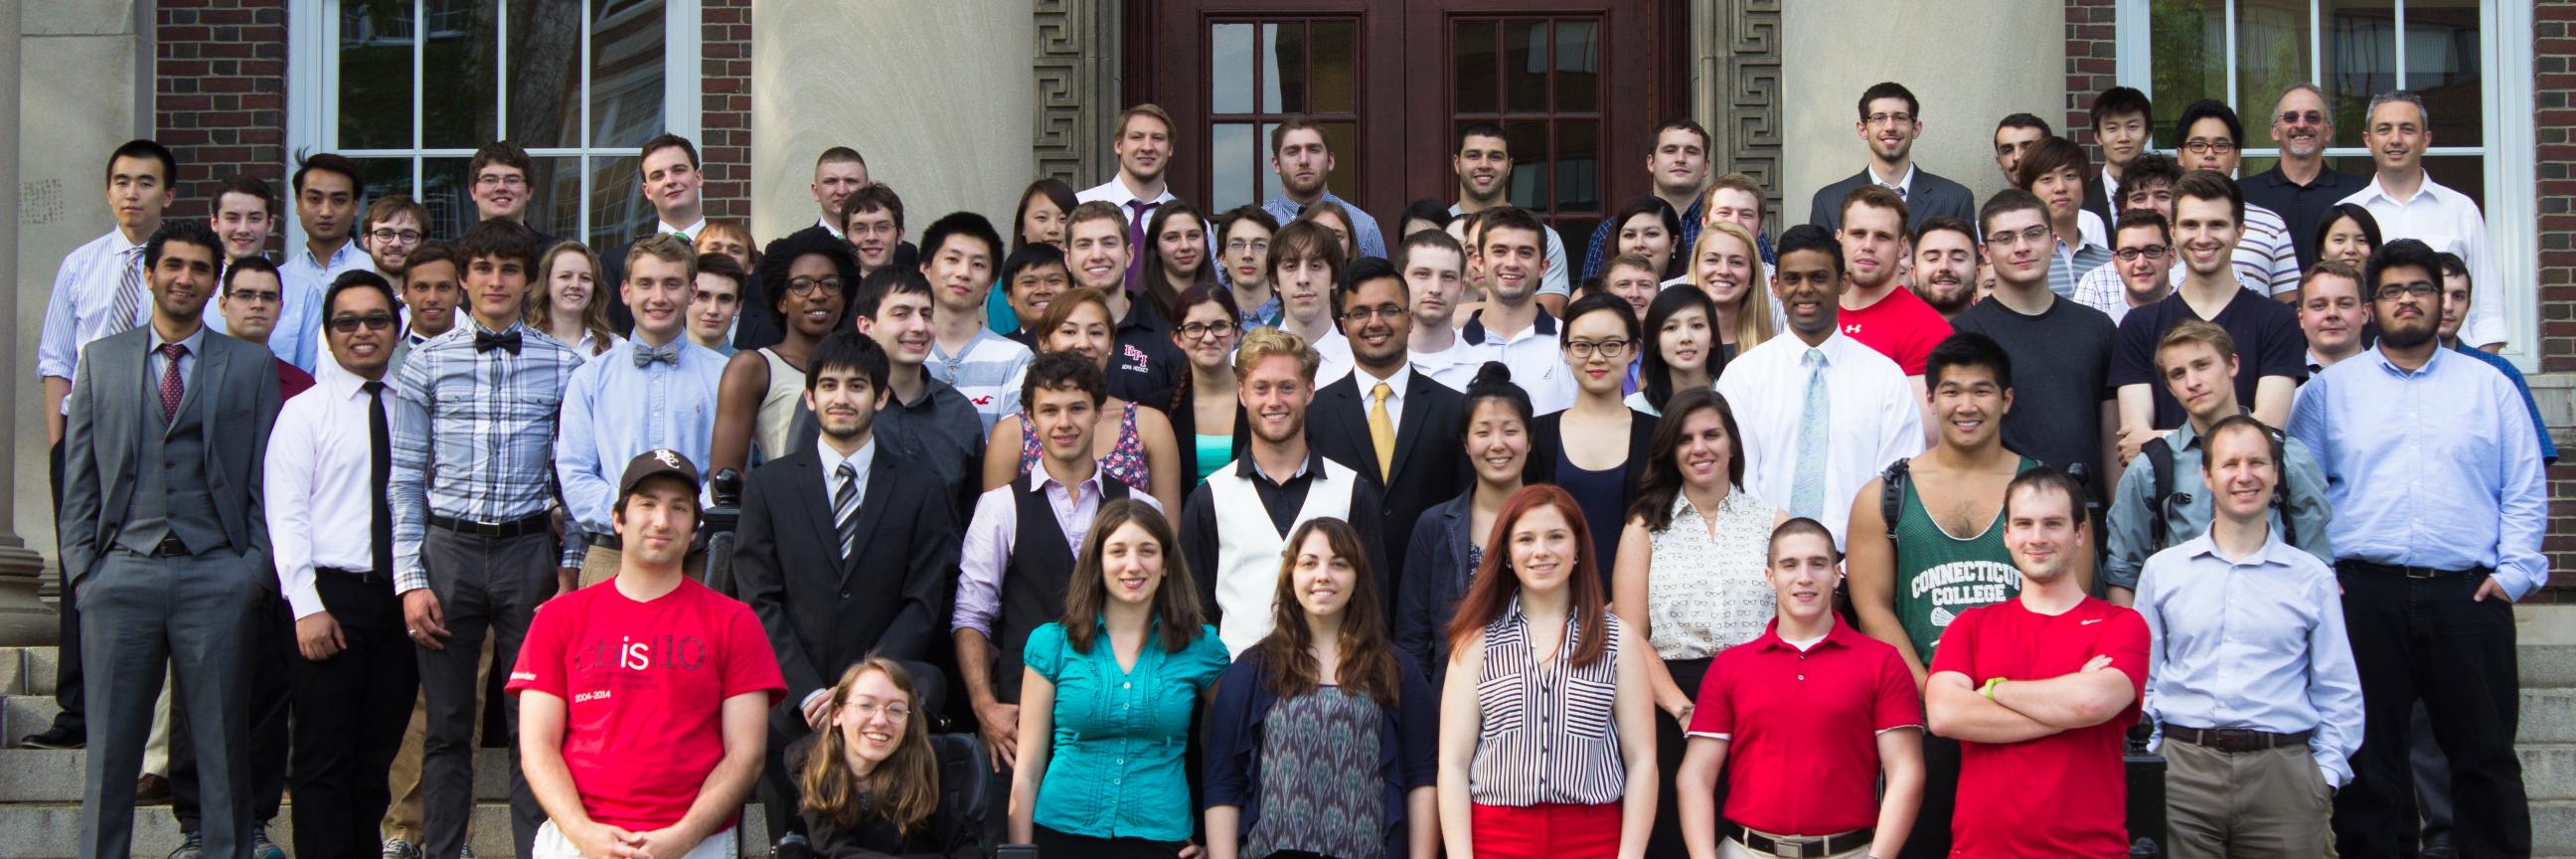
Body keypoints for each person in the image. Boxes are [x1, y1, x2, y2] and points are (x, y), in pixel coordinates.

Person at [2293, 238, 2544, 857]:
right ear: (2371, 307)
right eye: (2392, 291)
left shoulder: (2491, 388)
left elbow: (2523, 486)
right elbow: (2300, 494)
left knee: (2484, 758)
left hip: (2469, 596)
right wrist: (2323, 576)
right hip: (2363, 594)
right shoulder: (2328, 393)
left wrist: (2513, 573)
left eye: (2421, 288)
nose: (2407, 300)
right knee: (2369, 760)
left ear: (2444, 300)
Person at [60, 218, 277, 859]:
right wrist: (83, 570)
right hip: (120, 572)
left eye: (200, 268)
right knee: (111, 751)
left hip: (217, 573)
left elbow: (267, 475)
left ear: (216, 283)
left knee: (220, 744)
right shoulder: (102, 360)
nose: (186, 278)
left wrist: (253, 570)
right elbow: (79, 478)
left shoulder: (251, 364)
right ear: (148, 273)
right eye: (173, 265)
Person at [389, 218, 588, 859]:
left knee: (534, 718)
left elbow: (574, 474)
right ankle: (446, 851)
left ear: (529, 280)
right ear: (464, 279)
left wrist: (570, 569)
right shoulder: (423, 363)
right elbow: (402, 481)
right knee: (448, 725)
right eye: (482, 269)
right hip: (448, 551)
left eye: (509, 269)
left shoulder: (564, 364)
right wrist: (411, 580)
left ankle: (538, 851)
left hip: (529, 550)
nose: (495, 281)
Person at [732, 328, 961, 852]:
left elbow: (924, 601)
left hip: (884, 715)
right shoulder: (770, 486)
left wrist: (861, 690)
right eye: (829, 385)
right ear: (809, 396)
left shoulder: (920, 488)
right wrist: (811, 690)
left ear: (880, 397)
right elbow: (758, 598)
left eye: (857, 386)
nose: (841, 398)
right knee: (793, 847)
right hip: (794, 708)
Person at [510, 450, 786, 859]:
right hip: (576, 840)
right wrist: (583, 833)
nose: (662, 520)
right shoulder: (558, 618)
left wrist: (683, 837)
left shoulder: (735, 622)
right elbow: (537, 746)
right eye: (647, 504)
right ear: (618, 519)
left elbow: (746, 753)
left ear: (695, 528)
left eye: (679, 508)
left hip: (695, 844)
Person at [1842, 333, 2037, 859]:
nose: (1966, 406)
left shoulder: (2045, 489)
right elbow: (1872, 607)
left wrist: (2016, 701)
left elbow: (2067, 604)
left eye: (1982, 391)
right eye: (1951, 391)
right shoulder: (1884, 495)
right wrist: (1931, 690)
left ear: (2007, 399)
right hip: (1920, 717)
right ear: (1930, 400)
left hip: (2021, 718)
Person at [2134, 414, 2363, 858]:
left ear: (2276, 475)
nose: (2244, 476)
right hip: (2184, 772)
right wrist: (2155, 752)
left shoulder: (2310, 577)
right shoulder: (2164, 571)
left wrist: (2325, 775)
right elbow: (2147, 676)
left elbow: (2338, 689)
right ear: (2206, 476)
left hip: (2284, 775)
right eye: (2229, 463)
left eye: (2257, 463)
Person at [952, 352, 1161, 795]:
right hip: (1020, 716)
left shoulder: (1141, 507)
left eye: (1077, 408)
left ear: (1098, 411)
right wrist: (984, 705)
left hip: (1118, 719)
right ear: (1029, 418)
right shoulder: (1000, 507)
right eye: (1049, 410)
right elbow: (971, 614)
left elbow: (1163, 613)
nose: (1063, 422)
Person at [1923, 467, 2150, 857]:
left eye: (2053, 524)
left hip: (2087, 851)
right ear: (2007, 535)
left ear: (2080, 533)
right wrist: (2069, 698)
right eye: (2024, 524)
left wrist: (1994, 688)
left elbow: (2090, 703)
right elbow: (1945, 714)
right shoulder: (1971, 626)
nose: (2038, 538)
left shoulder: (2121, 624)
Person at [268, 268, 416, 859]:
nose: (362, 332)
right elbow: (286, 517)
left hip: (398, 597)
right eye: (346, 322)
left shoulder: (412, 408)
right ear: (327, 335)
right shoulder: (304, 413)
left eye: (376, 320)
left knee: (376, 759)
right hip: (329, 599)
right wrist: (306, 606)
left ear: (397, 328)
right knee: (323, 759)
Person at [1677, 518, 1927, 859]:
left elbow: (1906, 771)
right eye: (1789, 565)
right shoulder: (1731, 666)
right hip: (1746, 851)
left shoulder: (1881, 661)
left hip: (1850, 852)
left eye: (1818, 564)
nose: (1804, 577)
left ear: (1837, 574)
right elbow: (1696, 775)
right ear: (1770, 576)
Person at [1434, 485, 1656, 859]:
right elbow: (1453, 764)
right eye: (1525, 539)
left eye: (1556, 537)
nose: (1541, 551)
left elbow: (1642, 760)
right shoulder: (1474, 643)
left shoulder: (1619, 640)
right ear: (1506, 552)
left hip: (1594, 839)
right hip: (1496, 839)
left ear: (1578, 547)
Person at [1608, 387, 1783, 858]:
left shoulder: (1772, 522)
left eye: (1711, 434)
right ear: (1670, 451)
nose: (1699, 448)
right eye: (1685, 439)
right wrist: (1683, 709)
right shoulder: (1644, 526)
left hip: (1761, 700)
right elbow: (1627, 633)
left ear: (1732, 443)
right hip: (1668, 702)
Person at [1204, 517, 1440, 859]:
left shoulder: (1397, 670)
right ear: (1291, 576)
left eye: (1339, 564)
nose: (1323, 575)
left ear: (1358, 577)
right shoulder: (1252, 670)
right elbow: (1224, 782)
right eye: (1309, 563)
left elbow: (1422, 778)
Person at [1007, 500, 1226, 859]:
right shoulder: (1052, 644)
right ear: (1098, 562)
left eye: (1147, 551)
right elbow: (1027, 770)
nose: (1133, 565)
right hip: (1061, 835)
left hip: (1161, 839)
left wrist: (1215, 843)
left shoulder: (1201, 647)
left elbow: (1237, 747)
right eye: (1118, 551)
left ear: (1167, 564)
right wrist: (1019, 853)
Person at [1182, 327, 1388, 654]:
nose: (1274, 401)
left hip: (1335, 688)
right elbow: (1194, 615)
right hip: (1237, 690)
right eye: (1261, 388)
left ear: (1309, 391)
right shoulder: (1209, 498)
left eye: (1287, 388)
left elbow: (1373, 606)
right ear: (1242, 393)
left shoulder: (1352, 491)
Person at [1716, 225, 1923, 546]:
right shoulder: (1742, 376)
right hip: (1762, 562)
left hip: (1862, 565)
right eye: (1793, 278)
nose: (1805, 289)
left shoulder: (1884, 377)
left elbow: (1897, 485)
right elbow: (1737, 482)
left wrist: (1854, 569)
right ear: (1775, 285)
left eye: (1819, 277)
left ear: (1843, 282)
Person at [2103, 320, 2333, 603]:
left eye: (2202, 365)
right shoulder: (2151, 466)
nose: (2192, 382)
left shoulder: (2285, 456)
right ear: (2169, 387)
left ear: (2232, 364)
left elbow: (2318, 566)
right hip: (2182, 627)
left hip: (2274, 622)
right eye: (2178, 374)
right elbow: (2123, 571)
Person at [555, 236, 725, 586]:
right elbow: (575, 472)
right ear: (625, 292)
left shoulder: (724, 376)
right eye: (645, 284)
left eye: (672, 284)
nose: (658, 297)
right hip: (610, 556)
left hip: (696, 558)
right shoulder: (589, 379)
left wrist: (686, 519)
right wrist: (631, 519)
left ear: (692, 293)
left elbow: (732, 471)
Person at [1310, 257, 1469, 604]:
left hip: (1435, 601)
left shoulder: (1455, 409)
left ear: (1410, 320)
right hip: (1341, 605)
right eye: (1361, 312)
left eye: (1389, 309)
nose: (1375, 322)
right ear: (1342, 325)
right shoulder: (1313, 415)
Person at [2112, 171, 2306, 445]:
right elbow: (2134, 439)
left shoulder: (2277, 321)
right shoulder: (2139, 326)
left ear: (2239, 232)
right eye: (2191, 225)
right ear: (2173, 232)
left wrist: (2164, 438)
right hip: (2166, 487)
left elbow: (2267, 432)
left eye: (2216, 225)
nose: (2202, 238)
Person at [1947, 190, 2118, 495]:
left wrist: (2117, 516)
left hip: (2087, 514)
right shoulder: (1963, 336)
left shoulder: (2096, 327)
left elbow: (2111, 435)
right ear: (1984, 252)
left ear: (2053, 242)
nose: (2022, 247)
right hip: (2004, 518)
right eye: (2006, 238)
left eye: (2033, 234)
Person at [984, 287, 1186, 514]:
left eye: (1096, 333)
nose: (1083, 343)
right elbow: (995, 528)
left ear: (1110, 344)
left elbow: (1168, 534)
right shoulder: (1011, 433)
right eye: (1069, 332)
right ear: (1044, 342)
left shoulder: (1150, 425)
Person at [1395, 360, 1532, 684]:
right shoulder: (1435, 526)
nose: (1497, 444)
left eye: (1510, 431)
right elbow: (1413, 638)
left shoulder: (1557, 521)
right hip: (1454, 697)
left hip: (1541, 703)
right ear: (1466, 444)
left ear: (1529, 440)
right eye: (1483, 432)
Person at [2340, 89, 2501, 349]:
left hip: (2454, 368)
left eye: (2407, 129)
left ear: (2425, 140)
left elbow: (2487, 310)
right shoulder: (2347, 213)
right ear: (2368, 140)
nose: (2395, 139)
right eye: (2384, 129)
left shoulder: (2460, 209)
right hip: (2370, 368)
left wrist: (2480, 370)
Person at [788, 659, 977, 858]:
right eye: (866, 705)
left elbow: (965, 846)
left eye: (895, 710)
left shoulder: (924, 763)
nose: (879, 721)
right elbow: (835, 851)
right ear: (836, 713)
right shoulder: (807, 765)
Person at [1530, 292, 1655, 576]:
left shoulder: (1659, 436)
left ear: (1633, 349)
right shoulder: (1536, 436)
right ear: (1565, 350)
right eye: (1583, 346)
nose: (1596, 358)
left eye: (1611, 345)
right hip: (1553, 601)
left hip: (1639, 606)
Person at [713, 231, 856, 475]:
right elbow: (725, 478)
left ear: (844, 297)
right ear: (782, 301)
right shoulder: (753, 367)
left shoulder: (863, 367)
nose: (818, 295)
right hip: (784, 508)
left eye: (830, 284)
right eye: (802, 285)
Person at [2171, 100, 2302, 300]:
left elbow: (2287, 304)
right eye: (2197, 146)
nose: (2209, 154)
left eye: (2221, 146)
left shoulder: (2271, 225)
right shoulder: (2161, 221)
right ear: (2180, 155)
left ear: (2238, 156)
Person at [1806, 83, 1976, 235]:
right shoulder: (1828, 202)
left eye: (1900, 118)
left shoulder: (1955, 199)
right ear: (1862, 129)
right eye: (1879, 118)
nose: (1890, 127)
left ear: (1916, 128)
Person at [913, 211, 1030, 433]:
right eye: (952, 259)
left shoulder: (1015, 360)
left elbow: (1015, 446)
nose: (963, 273)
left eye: (978, 265)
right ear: (925, 269)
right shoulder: (900, 349)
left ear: (990, 284)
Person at [1062, 200, 1192, 399]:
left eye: (1109, 243)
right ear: (1068, 259)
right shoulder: (1048, 335)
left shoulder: (1168, 338)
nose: (1097, 255)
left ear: (1129, 254)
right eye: (1084, 244)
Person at [1833, 186, 1953, 397]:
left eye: (1882, 237)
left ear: (1902, 247)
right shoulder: (1811, 313)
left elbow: (1918, 427)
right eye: (1858, 234)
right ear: (1839, 238)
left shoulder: (1928, 329)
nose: (1868, 245)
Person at [2436, 253, 2555, 463]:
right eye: (2440, 294)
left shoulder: (2500, 371)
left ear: (2469, 304)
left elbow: (2532, 459)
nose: (2448, 306)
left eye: (2458, 296)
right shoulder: (2389, 368)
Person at [1461, 207, 1576, 413]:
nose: (1512, 263)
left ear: (1543, 267)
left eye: (1525, 253)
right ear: (1479, 262)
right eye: (1500, 251)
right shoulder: (1453, 346)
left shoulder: (1571, 346)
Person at [1448, 123, 1572, 310]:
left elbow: (1549, 312)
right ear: (1457, 163)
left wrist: (1453, 313)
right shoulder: (1438, 230)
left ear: (1509, 166)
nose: (1484, 165)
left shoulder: (1543, 237)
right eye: (1473, 156)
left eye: (1495, 157)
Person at [2245, 84, 2367, 268]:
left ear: (2328, 132)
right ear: (2275, 131)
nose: (2301, 125)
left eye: (2312, 117)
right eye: (2290, 117)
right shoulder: (2245, 195)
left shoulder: (2358, 192)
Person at [601, 133, 710, 331]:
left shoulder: (743, 259)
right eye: (658, 176)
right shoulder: (614, 264)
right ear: (647, 190)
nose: (669, 181)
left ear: (699, 177)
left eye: (678, 170)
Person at [1581, 119, 1711, 280]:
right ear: (1651, 162)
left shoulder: (1721, 225)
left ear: (1706, 167)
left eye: (1691, 151)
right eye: (1670, 150)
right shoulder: (1608, 231)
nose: (1680, 159)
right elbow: (1591, 300)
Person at [275, 152, 370, 371]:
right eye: (315, 199)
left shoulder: (375, 273)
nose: (326, 211)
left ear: (355, 206)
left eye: (338, 200)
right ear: (298, 203)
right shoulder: (279, 282)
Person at [1152, 283, 1248, 486]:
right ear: (1177, 338)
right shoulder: (1157, 409)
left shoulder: (1263, 401)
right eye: (1195, 328)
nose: (1209, 337)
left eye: (1220, 326)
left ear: (1237, 332)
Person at [2070, 151, 2186, 316]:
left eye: (2162, 196)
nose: (2150, 206)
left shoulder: (2202, 273)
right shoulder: (2097, 282)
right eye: (2139, 198)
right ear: (2124, 208)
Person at [1262, 116, 1387, 259]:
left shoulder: (1364, 227)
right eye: (1292, 152)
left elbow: (1379, 281)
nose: (1304, 160)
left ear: (1330, 161)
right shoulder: (1257, 228)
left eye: (1314, 150)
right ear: (1276, 164)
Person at [2012, 137, 2114, 299]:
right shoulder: (2020, 259)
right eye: (2047, 179)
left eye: (2070, 176)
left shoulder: (2110, 261)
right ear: (2029, 190)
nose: (2060, 187)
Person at [1258, 217, 1356, 384]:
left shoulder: (1361, 364)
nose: (1303, 278)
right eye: (1290, 266)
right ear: (1275, 281)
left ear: (1335, 278)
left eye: (1315, 266)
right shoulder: (1246, 363)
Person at [989, 177, 1081, 336]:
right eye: (1042, 218)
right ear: (1022, 227)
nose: (1053, 229)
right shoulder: (1003, 291)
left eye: (1063, 219)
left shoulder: (1087, 279)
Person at [215, 256, 318, 399]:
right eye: (245, 295)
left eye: (268, 297)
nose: (258, 304)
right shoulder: (195, 373)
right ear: (223, 305)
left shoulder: (302, 387)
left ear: (280, 309)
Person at [1399, 230, 1480, 389]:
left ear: (1462, 287)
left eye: (1448, 277)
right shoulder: (1359, 366)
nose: (1435, 288)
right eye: (1422, 274)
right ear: (1399, 281)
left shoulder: (1482, 372)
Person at [1688, 219, 1775, 362]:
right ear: (1695, 268)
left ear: (1752, 275)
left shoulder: (1772, 354)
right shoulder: (1671, 348)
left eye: (1736, 262)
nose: (1724, 271)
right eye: (1712, 260)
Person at [1627, 284, 1721, 416]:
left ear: (1713, 337)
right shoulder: (1637, 408)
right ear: (1657, 343)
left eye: (1697, 326)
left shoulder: (1734, 397)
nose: (1685, 338)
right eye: (1671, 328)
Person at [2076, 210, 2177, 324]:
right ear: (2115, 262)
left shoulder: (2196, 318)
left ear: (2171, 256)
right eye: (2129, 253)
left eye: (2152, 251)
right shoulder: (2104, 329)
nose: (2141, 263)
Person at [528, 241, 618, 357]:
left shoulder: (615, 347)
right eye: (565, 276)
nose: (575, 285)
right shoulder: (524, 345)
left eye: (585, 278)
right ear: (546, 284)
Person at [2081, 86, 2155, 229]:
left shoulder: (2169, 196)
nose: (2123, 138)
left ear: (2147, 134)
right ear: (2098, 136)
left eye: (2132, 127)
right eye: (2112, 128)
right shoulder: (2082, 200)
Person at [390, 242, 462, 380]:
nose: (432, 298)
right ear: (404, 293)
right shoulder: (384, 363)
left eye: (443, 287)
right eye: (422, 287)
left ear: (460, 293)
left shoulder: (484, 360)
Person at [1141, 200, 1217, 322]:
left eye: (1193, 235)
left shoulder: (1221, 305)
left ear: (1205, 240)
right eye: (1172, 238)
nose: (1185, 246)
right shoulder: (1142, 313)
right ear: (1156, 247)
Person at [466, 141, 553, 248]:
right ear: (473, 191)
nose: (501, 187)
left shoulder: (557, 255)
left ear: (529, 191)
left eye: (512, 180)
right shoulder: (449, 258)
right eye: (489, 180)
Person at [1215, 205, 1282, 328]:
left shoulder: (1292, 319)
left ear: (1274, 257)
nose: (1247, 255)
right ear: (1223, 258)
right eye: (1237, 245)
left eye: (1260, 245)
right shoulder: (1210, 321)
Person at [997, 244, 1073, 350]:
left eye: (1054, 281)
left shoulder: (1087, 345)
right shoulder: (996, 351)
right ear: (1010, 296)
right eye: (1029, 282)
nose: (1042, 290)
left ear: (1071, 289)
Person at [2298, 259, 2368, 372]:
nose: (2332, 313)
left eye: (2345, 304)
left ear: (2365, 313)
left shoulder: (2393, 379)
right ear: (2301, 317)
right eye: (2319, 305)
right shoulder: (2283, 382)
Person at [1909, 217, 1981, 319]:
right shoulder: (1887, 333)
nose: (1944, 267)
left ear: (1977, 273)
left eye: (1958, 258)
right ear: (1913, 273)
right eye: (1932, 258)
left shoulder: (1999, 332)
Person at [843, 184, 911, 279]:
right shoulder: (833, 292)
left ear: (899, 235)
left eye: (882, 227)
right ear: (845, 236)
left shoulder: (918, 293)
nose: (871, 237)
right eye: (860, 229)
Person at [360, 194, 428, 288]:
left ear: (423, 244)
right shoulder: (348, 299)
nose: (396, 243)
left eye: (408, 236)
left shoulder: (440, 301)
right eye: (385, 234)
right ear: (367, 241)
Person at [212, 174, 280, 263]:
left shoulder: (291, 278)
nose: (243, 230)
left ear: (269, 224)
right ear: (215, 223)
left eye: (254, 218)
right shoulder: (200, 278)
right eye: (232, 218)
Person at [1597, 252, 1666, 341]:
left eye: (1644, 285)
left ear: (1658, 293)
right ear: (1606, 293)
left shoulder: (1674, 347)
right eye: (1624, 285)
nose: (1635, 294)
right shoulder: (1591, 344)